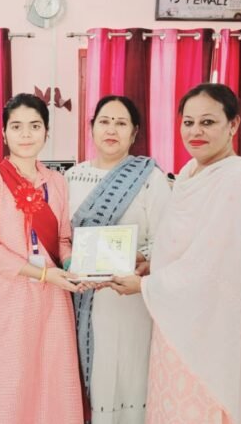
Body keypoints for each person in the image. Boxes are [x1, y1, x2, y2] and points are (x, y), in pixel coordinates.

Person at [109, 83, 241, 424]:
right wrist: (152, 266)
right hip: (177, 317)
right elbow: (186, 244)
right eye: (188, 122)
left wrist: (144, 287)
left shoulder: (239, 180)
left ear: (232, 125)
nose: (195, 131)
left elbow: (214, 265)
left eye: (207, 122)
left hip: (214, 326)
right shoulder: (192, 172)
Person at [0, 93, 84, 424]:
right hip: (8, 298)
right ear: (4, 133)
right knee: (10, 385)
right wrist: (43, 274)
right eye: (16, 126)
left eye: (34, 126)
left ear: (46, 132)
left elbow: (62, 238)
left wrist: (73, 265)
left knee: (52, 383)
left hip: (52, 302)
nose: (26, 134)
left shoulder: (57, 182)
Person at [66, 95, 171, 424]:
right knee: (87, 376)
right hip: (82, 298)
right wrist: (71, 265)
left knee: (128, 374)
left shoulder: (150, 178)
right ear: (92, 127)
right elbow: (61, 238)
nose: (111, 129)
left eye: (121, 123)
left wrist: (141, 257)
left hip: (130, 299)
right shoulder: (70, 178)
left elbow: (167, 238)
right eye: (105, 121)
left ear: (134, 132)